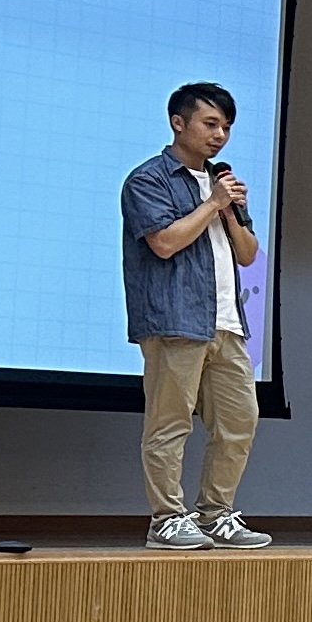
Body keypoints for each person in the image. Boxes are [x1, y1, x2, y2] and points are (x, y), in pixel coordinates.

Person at [119, 81, 270, 550]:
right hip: (175, 319)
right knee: (169, 424)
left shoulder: (223, 185)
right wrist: (212, 204)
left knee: (240, 422)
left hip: (227, 323)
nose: (220, 135)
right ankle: (166, 519)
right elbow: (164, 243)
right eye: (211, 124)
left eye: (226, 127)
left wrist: (229, 212)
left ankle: (215, 515)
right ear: (178, 122)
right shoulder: (148, 180)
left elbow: (248, 254)